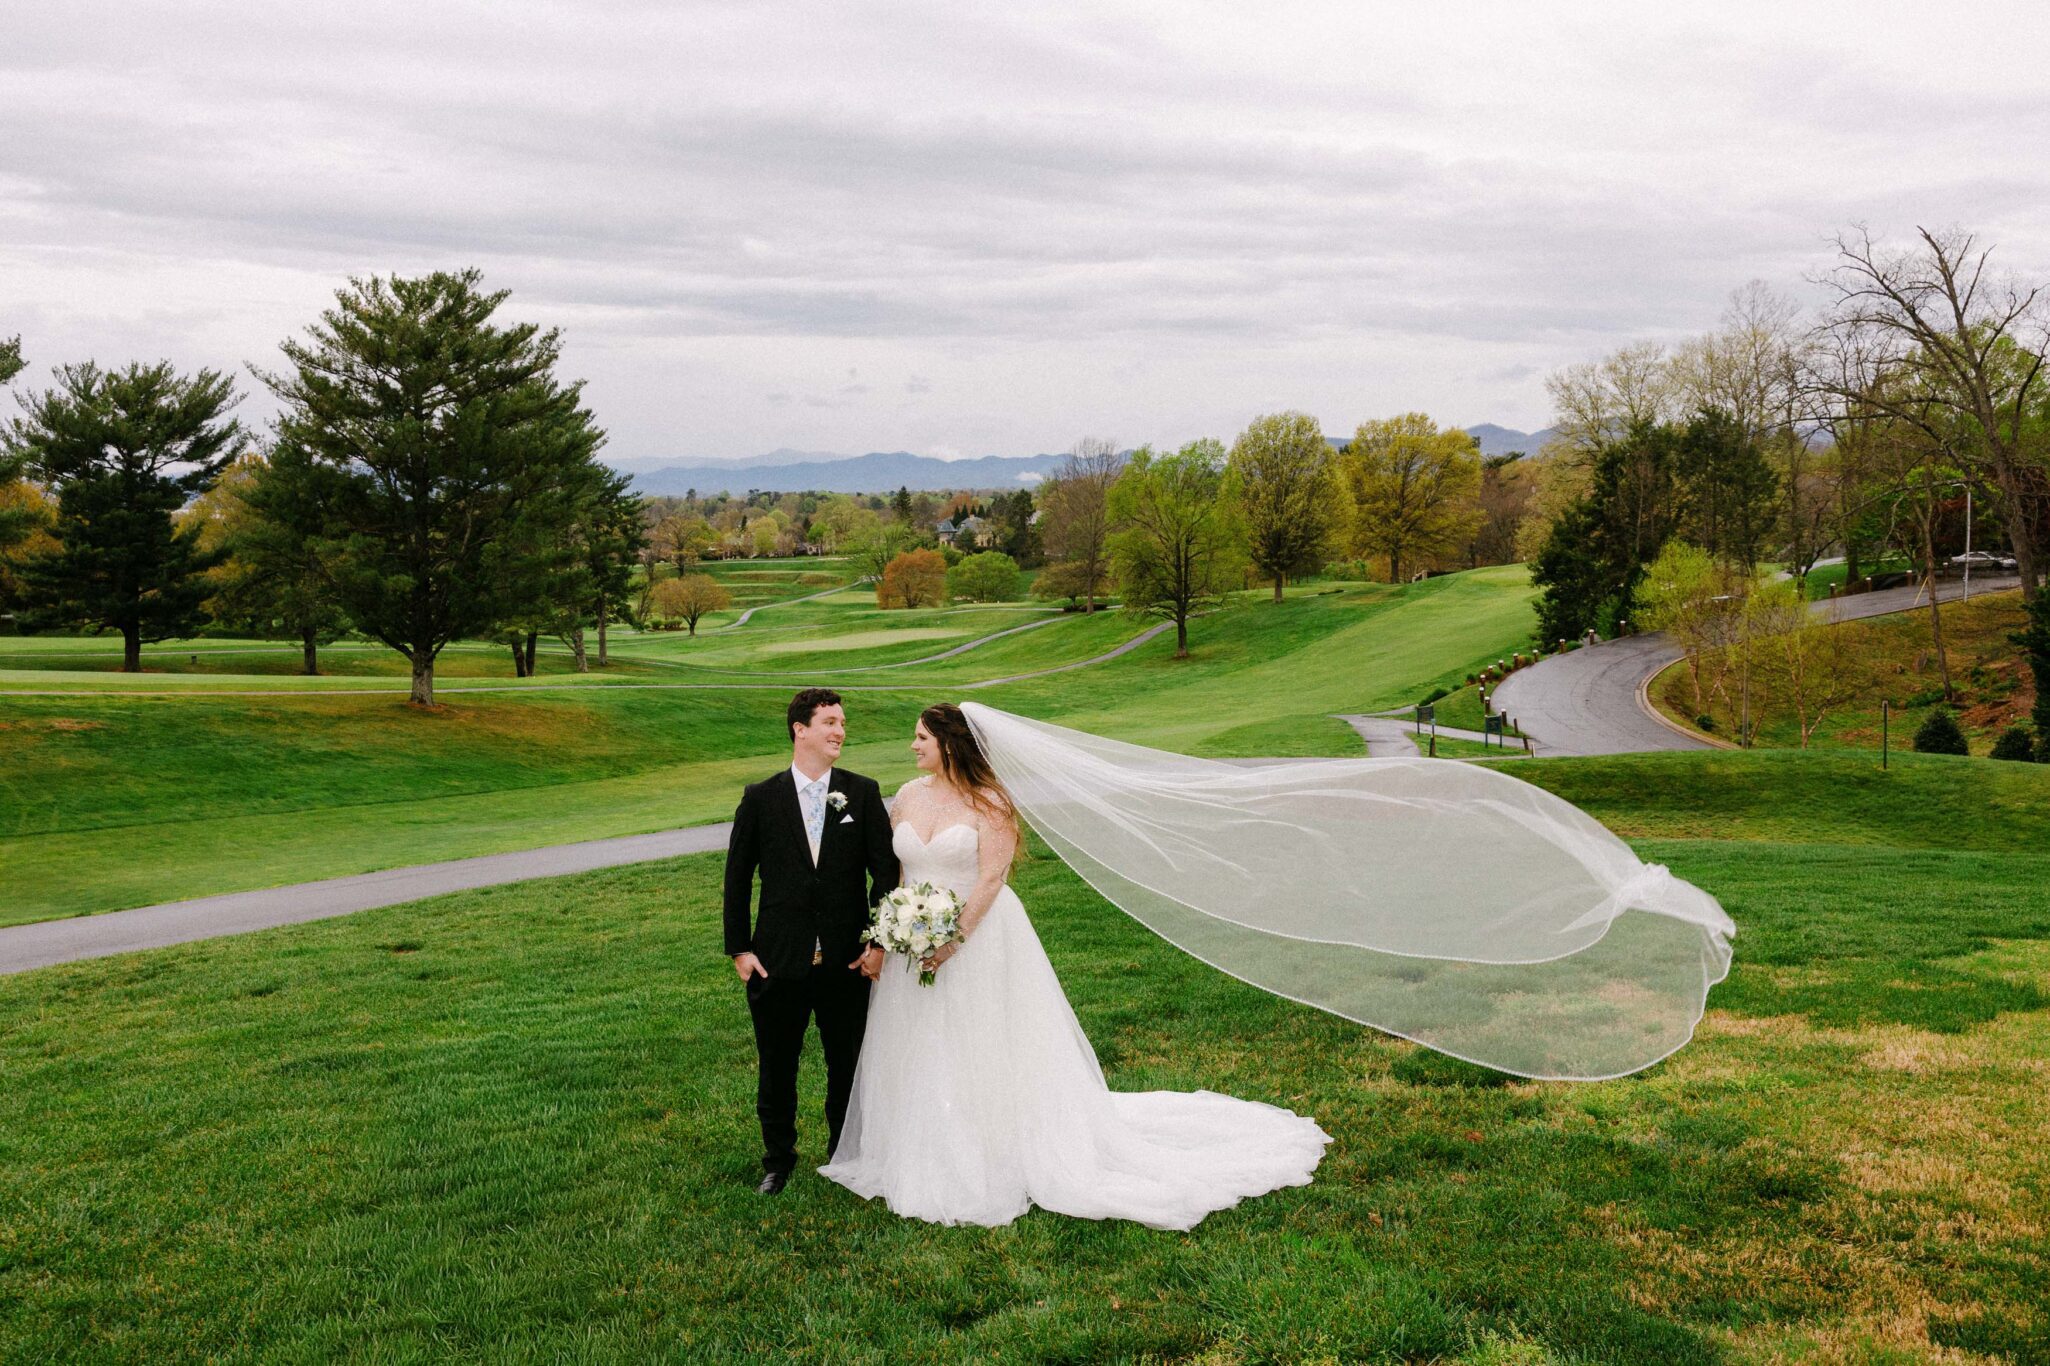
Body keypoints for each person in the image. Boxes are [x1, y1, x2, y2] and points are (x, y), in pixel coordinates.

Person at [820, 703, 1330, 1230]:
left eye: (922, 736)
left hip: (978, 937)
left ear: (951, 743)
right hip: (913, 942)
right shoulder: (906, 797)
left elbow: (991, 880)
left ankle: (994, 1148)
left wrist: (952, 940)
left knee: (982, 1040)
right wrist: (897, 927)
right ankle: (920, 1146)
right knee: (918, 1042)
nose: (913, 745)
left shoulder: (991, 801)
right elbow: (902, 872)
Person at [723, 687, 898, 1195]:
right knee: (777, 1066)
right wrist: (740, 948)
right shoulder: (761, 798)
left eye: (843, 722)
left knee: (847, 1063)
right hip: (777, 960)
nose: (840, 730)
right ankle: (778, 1161)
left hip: (847, 960)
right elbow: (737, 878)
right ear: (800, 730)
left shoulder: (861, 792)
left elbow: (884, 872)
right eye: (829, 722)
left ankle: (846, 1156)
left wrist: (878, 942)